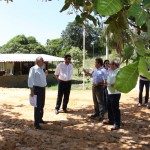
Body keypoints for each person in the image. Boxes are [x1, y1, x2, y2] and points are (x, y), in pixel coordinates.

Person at [28, 56, 47, 129]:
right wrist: (32, 91)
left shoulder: (42, 69)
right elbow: (30, 80)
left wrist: (45, 75)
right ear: (38, 61)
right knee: (37, 107)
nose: (43, 62)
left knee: (42, 105)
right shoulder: (33, 69)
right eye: (42, 61)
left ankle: (40, 119)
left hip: (42, 89)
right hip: (37, 89)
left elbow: (41, 79)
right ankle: (36, 124)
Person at [103, 60, 121, 131]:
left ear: (114, 65)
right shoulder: (110, 71)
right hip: (109, 91)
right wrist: (107, 83)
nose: (109, 65)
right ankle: (111, 120)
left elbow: (120, 81)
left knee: (115, 108)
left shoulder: (118, 71)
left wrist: (114, 84)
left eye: (111, 64)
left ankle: (117, 124)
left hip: (115, 92)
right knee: (109, 107)